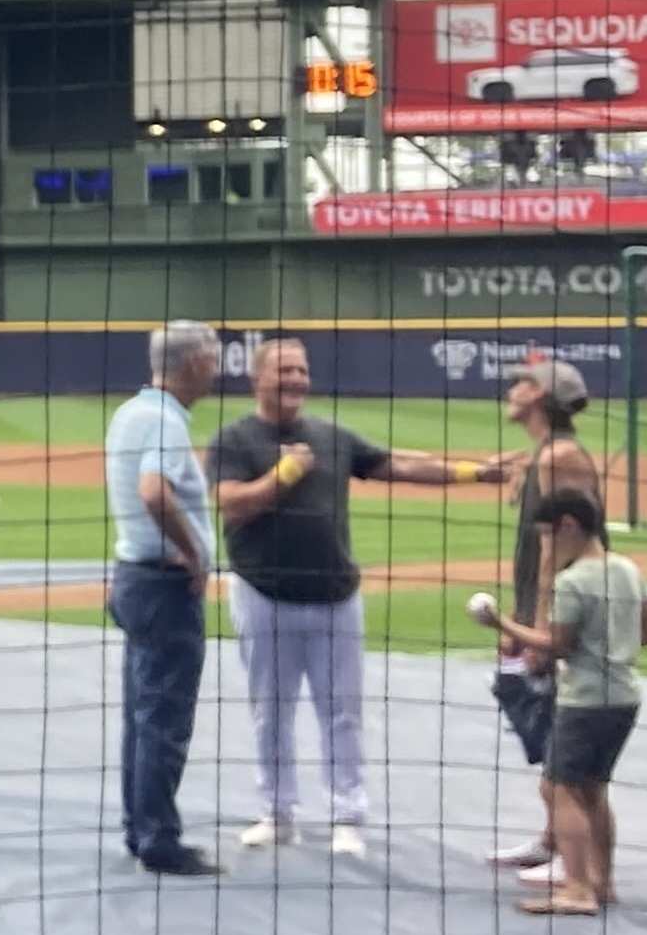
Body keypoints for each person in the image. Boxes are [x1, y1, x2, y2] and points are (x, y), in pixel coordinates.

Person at [202, 335, 506, 857]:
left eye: (301, 370)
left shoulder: (331, 435)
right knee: (270, 709)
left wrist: (473, 471)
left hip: (337, 595)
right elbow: (231, 505)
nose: (296, 379)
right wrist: (283, 476)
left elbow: (400, 465)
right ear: (257, 379)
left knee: (342, 710)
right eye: (284, 371)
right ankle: (277, 812)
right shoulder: (235, 439)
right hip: (263, 595)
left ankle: (348, 814)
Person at [475, 484, 647, 918]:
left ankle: (577, 889)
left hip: (586, 699)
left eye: (547, 535)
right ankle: (602, 880)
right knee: (593, 789)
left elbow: (553, 645)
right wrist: (612, 646)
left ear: (569, 526)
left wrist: (498, 622)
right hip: (625, 695)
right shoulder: (627, 569)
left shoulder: (572, 581)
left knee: (557, 787)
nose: (546, 546)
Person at [104, 321, 227, 877]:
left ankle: (141, 828)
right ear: (192, 364)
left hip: (135, 576)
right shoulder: (162, 420)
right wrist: (195, 555)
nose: (219, 367)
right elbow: (153, 492)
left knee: (141, 714)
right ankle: (158, 838)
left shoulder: (132, 412)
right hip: (163, 586)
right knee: (163, 717)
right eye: (213, 357)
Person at [485, 357, 605, 877]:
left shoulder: (559, 457)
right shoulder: (546, 454)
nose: (513, 389)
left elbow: (559, 549)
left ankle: (576, 859)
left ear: (541, 397)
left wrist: (537, 631)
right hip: (555, 606)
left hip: (572, 614)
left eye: (523, 383)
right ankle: (554, 838)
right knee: (555, 730)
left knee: (569, 739)